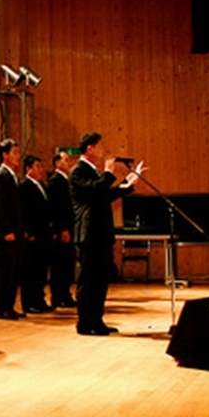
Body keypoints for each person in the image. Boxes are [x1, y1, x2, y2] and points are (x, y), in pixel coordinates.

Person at [69, 132, 143, 335]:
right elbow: (94, 191)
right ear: (90, 148)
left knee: (101, 280)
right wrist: (109, 174)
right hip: (88, 233)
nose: (104, 151)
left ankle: (97, 320)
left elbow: (104, 195)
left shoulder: (94, 172)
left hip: (100, 233)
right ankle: (85, 323)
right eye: (100, 147)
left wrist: (128, 184)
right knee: (88, 280)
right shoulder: (77, 171)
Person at [0, 139, 25, 319]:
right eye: (15, 153)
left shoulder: (13, 176)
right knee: (4, 272)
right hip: (7, 234)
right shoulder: (0, 176)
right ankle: (2, 308)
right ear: (5, 155)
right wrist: (6, 231)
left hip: (16, 232)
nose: (19, 156)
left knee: (13, 272)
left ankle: (9, 306)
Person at [20, 154, 54, 313]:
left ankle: (39, 300)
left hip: (44, 234)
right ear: (28, 169)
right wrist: (28, 232)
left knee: (41, 270)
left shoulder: (42, 186)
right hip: (33, 236)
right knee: (31, 271)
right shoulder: (24, 187)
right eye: (37, 166)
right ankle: (29, 303)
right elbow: (24, 211)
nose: (41, 170)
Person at [47, 150, 78, 308]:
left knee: (67, 264)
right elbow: (56, 208)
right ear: (57, 163)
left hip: (70, 227)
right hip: (62, 229)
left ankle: (65, 294)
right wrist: (62, 229)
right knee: (60, 265)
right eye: (66, 160)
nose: (69, 163)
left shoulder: (66, 180)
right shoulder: (55, 181)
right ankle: (58, 296)